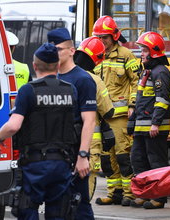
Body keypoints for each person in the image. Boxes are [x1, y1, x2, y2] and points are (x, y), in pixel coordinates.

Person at [0, 43, 80, 219]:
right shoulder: (71, 90)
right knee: (59, 213)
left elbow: (14, 125)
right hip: (63, 162)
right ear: (57, 65)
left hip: (35, 164)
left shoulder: (28, 90)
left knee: (27, 209)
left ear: (34, 65)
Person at [47, 28, 97, 219]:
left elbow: (89, 120)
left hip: (73, 152)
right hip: (53, 153)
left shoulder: (82, 79)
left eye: (59, 49)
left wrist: (83, 155)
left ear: (71, 50)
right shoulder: (51, 77)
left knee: (78, 203)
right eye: (52, 50)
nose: (55, 54)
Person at [92, 15, 140, 206]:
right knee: (106, 159)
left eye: (105, 37)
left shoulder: (126, 55)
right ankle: (114, 193)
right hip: (102, 116)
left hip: (119, 116)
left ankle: (129, 193)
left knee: (123, 156)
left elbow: (136, 81)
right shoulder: (96, 57)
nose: (102, 41)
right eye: (99, 37)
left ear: (114, 36)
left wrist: (132, 105)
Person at [127, 32, 170, 209]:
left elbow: (162, 100)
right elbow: (140, 101)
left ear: (154, 51)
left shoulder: (161, 72)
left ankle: (159, 198)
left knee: (156, 163)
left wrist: (156, 123)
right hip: (141, 127)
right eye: (141, 50)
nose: (141, 53)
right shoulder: (147, 71)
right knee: (138, 159)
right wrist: (133, 125)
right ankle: (145, 194)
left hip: (154, 128)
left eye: (144, 50)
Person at [73, 36, 115, 200]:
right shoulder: (95, 80)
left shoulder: (62, 75)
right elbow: (108, 112)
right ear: (97, 60)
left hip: (63, 141)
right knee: (85, 186)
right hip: (88, 144)